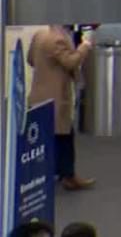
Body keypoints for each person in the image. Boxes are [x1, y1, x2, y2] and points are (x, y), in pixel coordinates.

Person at [27, 25, 94, 191]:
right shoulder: (57, 38)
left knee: (51, 137)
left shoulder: (40, 33)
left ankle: (59, 173)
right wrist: (84, 47)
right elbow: (71, 62)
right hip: (55, 96)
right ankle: (68, 176)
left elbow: (30, 59)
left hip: (38, 94)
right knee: (63, 137)